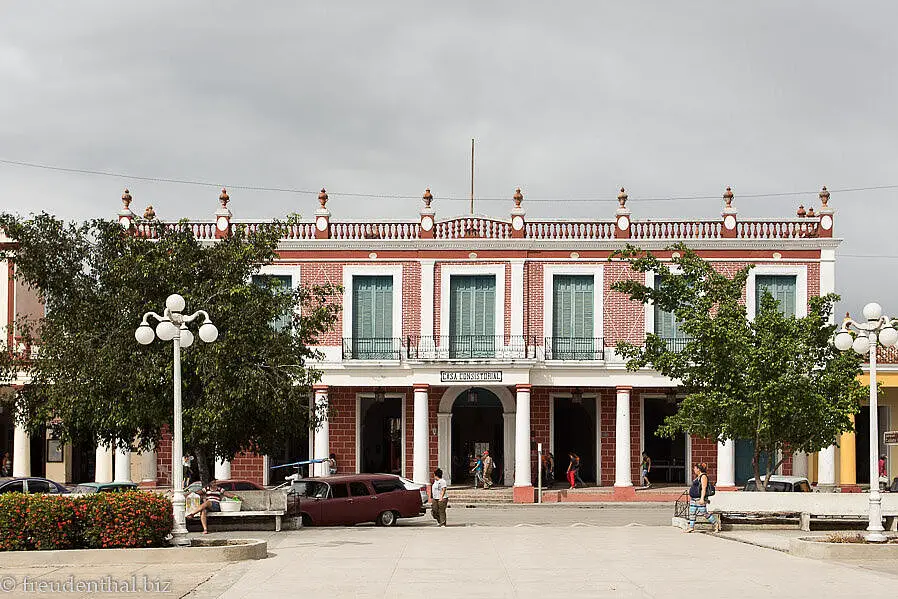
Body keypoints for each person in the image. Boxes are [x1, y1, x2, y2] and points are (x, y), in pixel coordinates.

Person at [686, 463, 719, 533]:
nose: (694, 470)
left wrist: (702, 498)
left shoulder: (703, 476)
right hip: (693, 499)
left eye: (695, 468)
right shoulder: (698, 476)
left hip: (699, 498)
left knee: (704, 513)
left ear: (699, 469)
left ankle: (716, 524)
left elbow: (704, 488)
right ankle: (691, 527)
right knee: (692, 513)